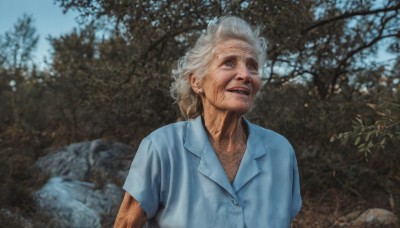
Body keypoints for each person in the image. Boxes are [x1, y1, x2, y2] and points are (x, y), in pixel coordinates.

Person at [114, 16, 302, 228]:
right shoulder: (161, 148)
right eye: (229, 63)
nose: (245, 75)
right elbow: (126, 223)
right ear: (196, 82)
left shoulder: (281, 152)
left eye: (252, 67)